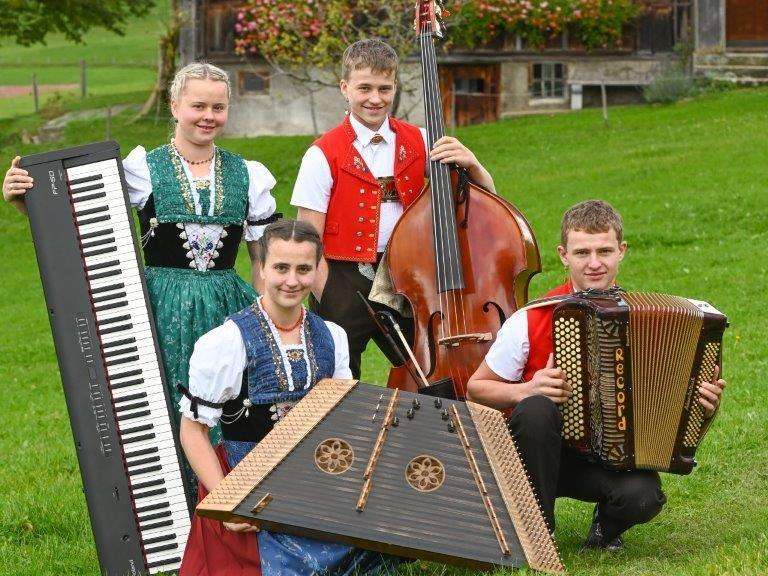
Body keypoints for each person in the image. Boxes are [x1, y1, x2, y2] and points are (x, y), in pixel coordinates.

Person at [2, 62, 279, 490]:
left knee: (231, 400)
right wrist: (23, 198)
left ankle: (230, 499)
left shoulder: (248, 174)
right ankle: (173, 504)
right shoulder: (143, 169)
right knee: (159, 399)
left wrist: (264, 314)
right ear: (175, 105)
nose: (208, 116)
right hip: (158, 306)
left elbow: (262, 255)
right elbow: (70, 212)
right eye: (198, 105)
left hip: (228, 306)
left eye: (218, 107)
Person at [466, 200, 726, 550]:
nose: (593, 263)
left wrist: (702, 407)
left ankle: (604, 529)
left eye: (604, 251)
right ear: (563, 255)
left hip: (607, 460)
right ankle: (537, 531)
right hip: (536, 455)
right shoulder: (531, 318)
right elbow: (476, 388)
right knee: (536, 409)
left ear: (622, 251)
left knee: (643, 496)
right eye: (582, 252)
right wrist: (526, 389)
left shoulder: (646, 315)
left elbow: (671, 407)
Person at [178, 219, 396, 576]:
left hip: (316, 481)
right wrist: (226, 501)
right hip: (248, 488)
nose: (292, 281)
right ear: (262, 268)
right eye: (281, 268)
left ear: (317, 270)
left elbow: (341, 421)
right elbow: (193, 431)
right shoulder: (226, 343)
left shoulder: (332, 336)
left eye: (303, 269)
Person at [292, 38, 495, 379]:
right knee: (336, 376)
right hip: (343, 277)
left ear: (395, 88)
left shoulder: (421, 139)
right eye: (364, 88)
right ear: (345, 88)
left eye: (384, 89)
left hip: (408, 275)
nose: (375, 98)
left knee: (426, 370)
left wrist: (473, 164)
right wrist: (327, 292)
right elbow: (308, 235)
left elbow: (484, 201)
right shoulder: (322, 153)